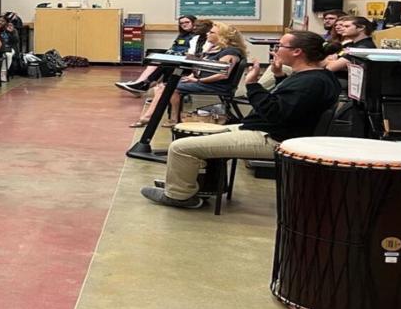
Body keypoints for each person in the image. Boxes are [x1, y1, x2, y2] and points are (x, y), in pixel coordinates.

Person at [141, 32, 341, 209]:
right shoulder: (317, 76)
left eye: (280, 46)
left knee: (180, 147)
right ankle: (188, 182)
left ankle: (179, 196)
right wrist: (279, 77)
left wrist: (252, 85)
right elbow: (291, 104)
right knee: (204, 134)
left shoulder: (310, 82)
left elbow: (275, 112)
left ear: (297, 51)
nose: (276, 49)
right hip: (273, 130)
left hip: (274, 138)